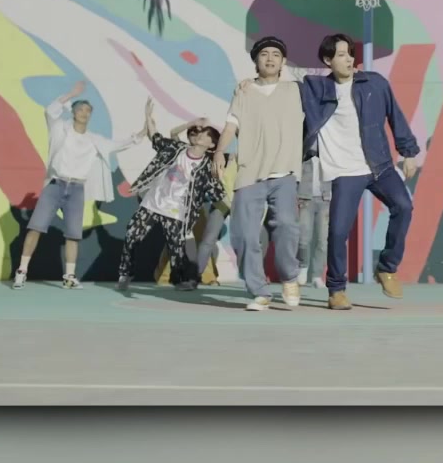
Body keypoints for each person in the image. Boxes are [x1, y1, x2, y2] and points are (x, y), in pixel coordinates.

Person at [299, 34, 420, 311]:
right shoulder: (316, 88)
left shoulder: (375, 83)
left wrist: (409, 152)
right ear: (328, 60)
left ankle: (387, 268)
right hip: (345, 170)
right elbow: (280, 90)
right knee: (338, 231)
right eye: (341, 54)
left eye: (350, 53)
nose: (349, 59)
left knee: (404, 206)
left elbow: (395, 116)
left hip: (379, 165)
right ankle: (336, 290)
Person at [14, 80, 142, 290]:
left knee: (73, 234)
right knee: (35, 228)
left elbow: (117, 145)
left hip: (76, 189)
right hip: (55, 185)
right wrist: (71, 94)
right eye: (81, 109)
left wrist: (141, 134)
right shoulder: (60, 129)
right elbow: (50, 111)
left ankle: (69, 276)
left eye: (88, 111)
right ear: (73, 112)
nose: (85, 113)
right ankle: (22, 271)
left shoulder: (94, 139)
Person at [212, 36, 305, 311]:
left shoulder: (296, 90)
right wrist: (219, 151)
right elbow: (231, 125)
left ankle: (289, 277)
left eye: (276, 54)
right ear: (256, 61)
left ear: (283, 61)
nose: (270, 58)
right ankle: (259, 291)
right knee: (244, 235)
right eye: (264, 54)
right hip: (249, 172)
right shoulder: (244, 91)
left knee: (286, 225)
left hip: (284, 172)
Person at [118, 100, 226, 292]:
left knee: (177, 250)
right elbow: (155, 136)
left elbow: (218, 193)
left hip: (176, 212)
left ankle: (182, 280)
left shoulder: (207, 168)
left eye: (207, 134)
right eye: (200, 132)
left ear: (211, 145)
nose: (201, 134)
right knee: (131, 235)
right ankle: (125, 273)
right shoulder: (175, 149)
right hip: (152, 203)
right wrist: (147, 116)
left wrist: (224, 187)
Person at [297, 156, 331, 289]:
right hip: (306, 199)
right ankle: (303, 268)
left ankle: (317, 275)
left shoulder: (328, 158)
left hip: (325, 200)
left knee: (322, 241)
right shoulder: (304, 158)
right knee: (303, 238)